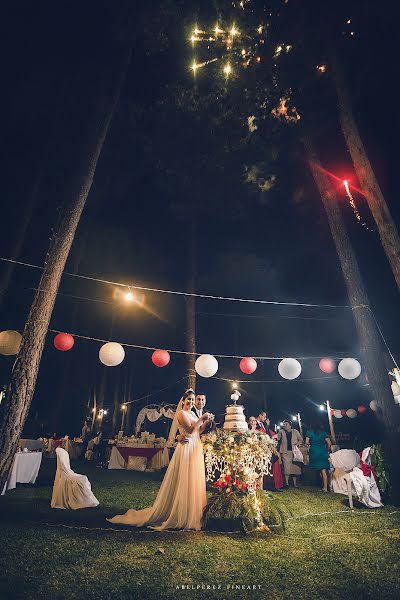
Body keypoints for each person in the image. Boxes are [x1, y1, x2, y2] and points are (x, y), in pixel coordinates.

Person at [107, 389, 212, 530]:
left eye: (193, 400)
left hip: (194, 446)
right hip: (186, 448)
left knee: (193, 479)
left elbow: (198, 431)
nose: (191, 402)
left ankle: (192, 512)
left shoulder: (192, 413)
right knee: (185, 478)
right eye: (189, 400)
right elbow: (191, 429)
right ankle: (181, 513)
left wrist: (205, 422)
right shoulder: (180, 413)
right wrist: (202, 418)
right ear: (183, 401)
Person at [305, 421, 331, 493]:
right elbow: (329, 443)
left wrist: (312, 444)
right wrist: (327, 450)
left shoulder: (309, 432)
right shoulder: (323, 433)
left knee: (320, 470)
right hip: (322, 451)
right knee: (323, 470)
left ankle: (324, 487)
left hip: (314, 451)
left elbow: (306, 442)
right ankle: (325, 486)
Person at [278, 420, 303, 488]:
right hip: (285, 452)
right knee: (286, 468)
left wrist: (297, 444)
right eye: (284, 424)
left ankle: (295, 484)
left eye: (286, 424)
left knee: (294, 468)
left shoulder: (295, 431)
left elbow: (301, 440)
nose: (285, 425)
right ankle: (286, 483)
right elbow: (277, 438)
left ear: (290, 425)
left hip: (294, 452)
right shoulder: (281, 431)